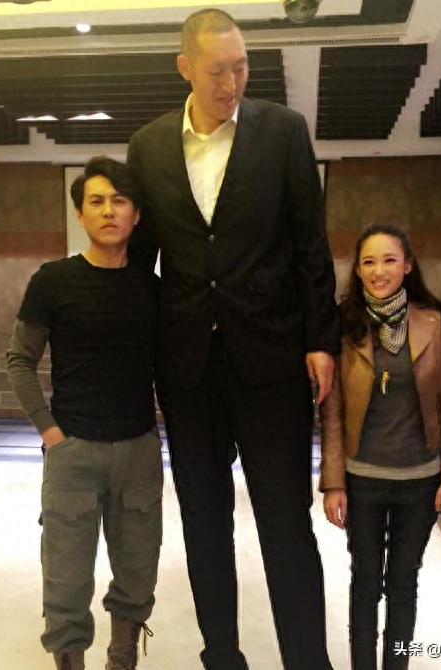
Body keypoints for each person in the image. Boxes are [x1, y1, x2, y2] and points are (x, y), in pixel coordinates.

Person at [126, 8, 340, 670]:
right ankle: (221, 655)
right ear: (185, 68)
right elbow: (141, 261)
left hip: (271, 359)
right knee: (203, 521)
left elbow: (310, 244)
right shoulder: (149, 146)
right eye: (217, 71)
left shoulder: (283, 132)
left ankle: (308, 659)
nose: (231, 83)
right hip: (187, 368)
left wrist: (320, 340)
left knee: (285, 521)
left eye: (241, 67)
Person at [6, 156, 162, 670]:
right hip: (73, 452)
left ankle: (122, 659)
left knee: (137, 573)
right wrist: (50, 432)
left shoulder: (152, 289)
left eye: (119, 200)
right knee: (66, 581)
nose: (108, 211)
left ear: (136, 214)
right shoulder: (53, 281)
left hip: (139, 452)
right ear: (80, 213)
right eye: (96, 201)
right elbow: (20, 359)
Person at [320, 222, 441, 670]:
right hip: (362, 479)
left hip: (420, 480)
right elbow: (332, 412)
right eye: (368, 261)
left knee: (404, 584)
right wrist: (333, 482)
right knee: (365, 583)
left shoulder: (432, 322)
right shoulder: (345, 324)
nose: (378, 270)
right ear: (358, 270)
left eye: (389, 260)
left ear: (407, 266)